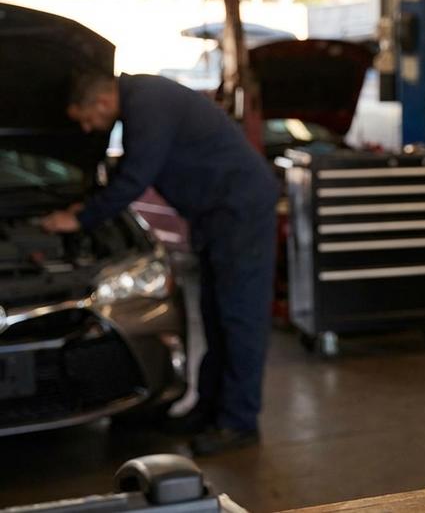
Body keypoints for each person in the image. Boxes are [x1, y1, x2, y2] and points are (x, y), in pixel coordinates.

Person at [40, 70, 278, 456]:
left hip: (239, 212)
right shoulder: (141, 102)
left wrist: (81, 219)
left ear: (101, 102)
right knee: (216, 316)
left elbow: (137, 174)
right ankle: (209, 408)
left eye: (85, 119)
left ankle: (239, 422)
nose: (87, 129)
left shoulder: (147, 102)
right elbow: (131, 167)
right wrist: (92, 199)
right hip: (216, 214)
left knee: (240, 319)